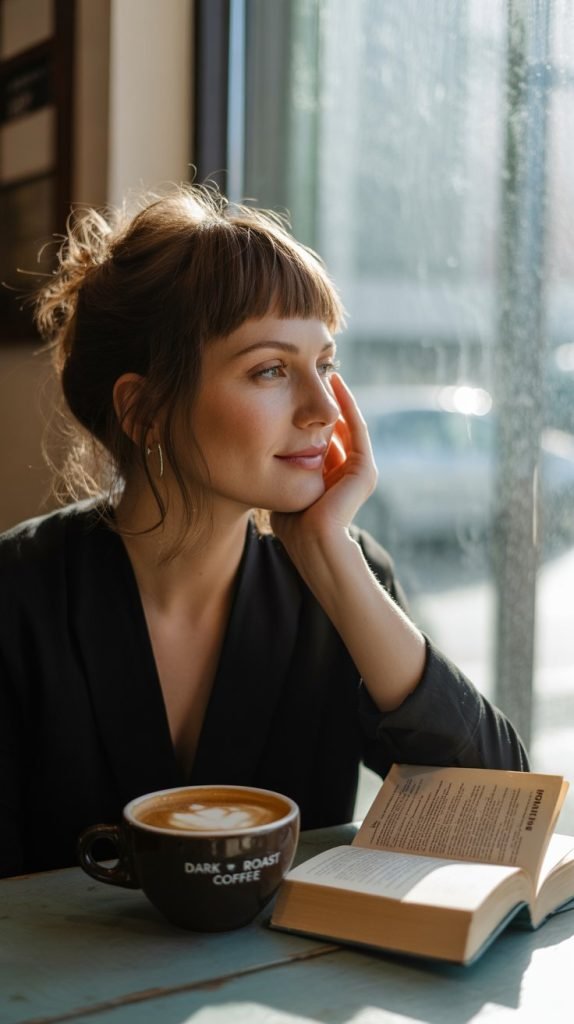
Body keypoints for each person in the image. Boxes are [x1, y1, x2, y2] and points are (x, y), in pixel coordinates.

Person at [0, 185, 529, 879]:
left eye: (327, 365)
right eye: (272, 369)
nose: (322, 410)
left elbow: (500, 815)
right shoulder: (19, 596)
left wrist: (331, 559)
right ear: (143, 408)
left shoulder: (338, 579)